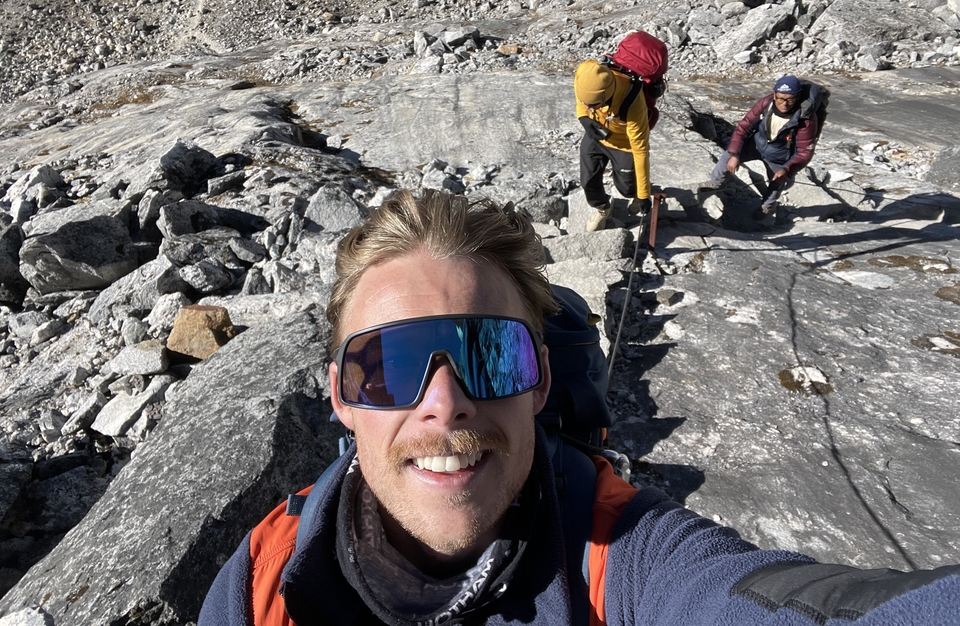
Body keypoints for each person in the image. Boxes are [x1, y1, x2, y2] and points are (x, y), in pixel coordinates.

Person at [199, 189, 959, 626]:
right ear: (341, 397)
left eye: (490, 354)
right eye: (389, 367)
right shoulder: (255, 582)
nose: (445, 404)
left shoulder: (625, 557)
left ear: (537, 382)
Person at [700, 75, 822, 216]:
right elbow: (743, 127)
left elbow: (804, 151)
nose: (785, 103)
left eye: (790, 99)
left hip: (779, 155)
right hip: (756, 144)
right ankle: (715, 185)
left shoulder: (806, 119)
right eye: (781, 98)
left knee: (777, 181)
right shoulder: (766, 103)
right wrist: (735, 154)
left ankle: (767, 208)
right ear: (775, 95)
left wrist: (787, 169)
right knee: (726, 158)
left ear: (798, 97)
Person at [574, 60, 652, 232]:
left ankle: (635, 195)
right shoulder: (586, 71)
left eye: (592, 105)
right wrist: (583, 117)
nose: (588, 106)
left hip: (624, 146)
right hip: (597, 134)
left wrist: (644, 195)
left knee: (626, 188)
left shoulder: (633, 102)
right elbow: (581, 94)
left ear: (605, 95)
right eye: (586, 103)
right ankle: (603, 208)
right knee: (588, 181)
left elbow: (640, 151)